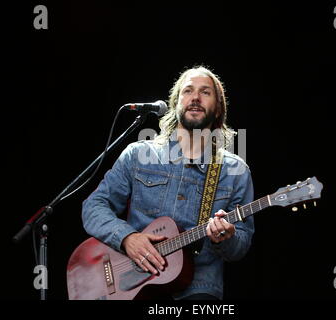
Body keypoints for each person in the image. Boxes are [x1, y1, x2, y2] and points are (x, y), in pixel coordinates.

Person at [82, 66, 254, 300]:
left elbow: (240, 247)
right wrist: (127, 238)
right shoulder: (138, 154)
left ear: (218, 109)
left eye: (205, 92)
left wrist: (227, 236)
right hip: (133, 283)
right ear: (175, 104)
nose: (195, 98)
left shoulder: (235, 171)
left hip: (198, 287)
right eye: (188, 91)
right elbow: (94, 206)